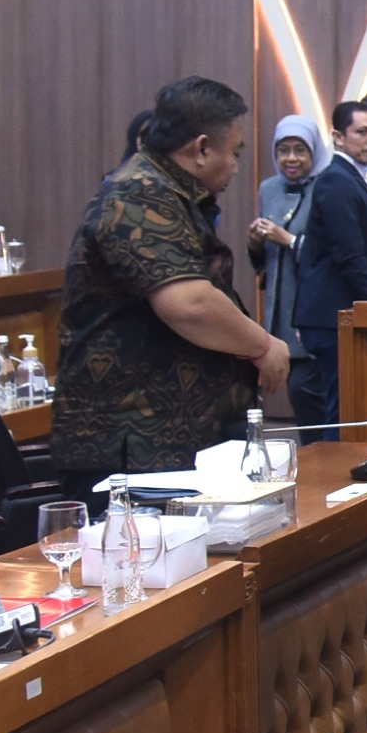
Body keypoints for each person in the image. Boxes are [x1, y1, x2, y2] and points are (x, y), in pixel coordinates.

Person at [54, 77, 291, 488]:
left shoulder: (169, 193)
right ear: (200, 148)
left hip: (168, 438)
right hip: (134, 446)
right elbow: (190, 304)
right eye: (234, 153)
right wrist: (263, 345)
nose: (236, 167)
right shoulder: (139, 194)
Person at [293, 99, 367, 432]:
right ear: (338, 137)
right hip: (336, 318)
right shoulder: (337, 180)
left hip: (345, 315)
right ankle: (332, 482)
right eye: (362, 132)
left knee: (352, 407)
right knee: (342, 411)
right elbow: (349, 257)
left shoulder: (354, 176)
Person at [247, 114, 326, 409]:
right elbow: (262, 262)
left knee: (306, 390)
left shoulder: (326, 187)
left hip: (311, 307)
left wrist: (288, 239)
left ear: (314, 151)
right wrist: (255, 242)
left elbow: (327, 254)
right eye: (283, 150)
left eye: (300, 150)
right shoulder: (268, 188)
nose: (291, 158)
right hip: (280, 305)